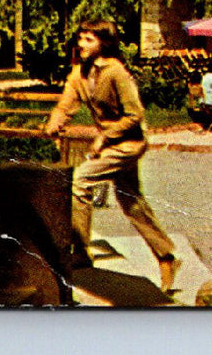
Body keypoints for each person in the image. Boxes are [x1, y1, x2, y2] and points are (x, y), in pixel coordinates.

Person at [43, 18, 181, 292]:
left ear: (104, 44)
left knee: (80, 180)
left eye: (88, 40)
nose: (81, 44)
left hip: (128, 144)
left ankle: (81, 252)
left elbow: (135, 115)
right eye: (80, 38)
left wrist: (104, 136)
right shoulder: (79, 74)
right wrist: (54, 122)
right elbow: (65, 104)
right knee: (131, 203)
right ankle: (166, 257)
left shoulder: (116, 72)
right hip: (110, 145)